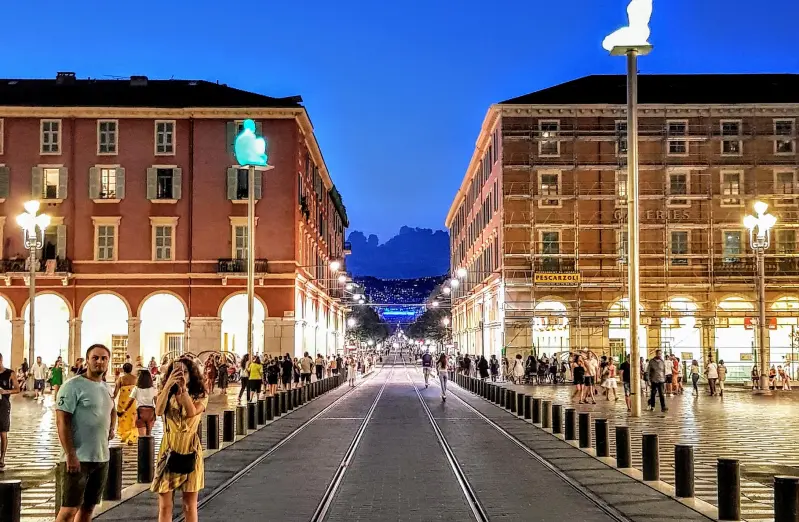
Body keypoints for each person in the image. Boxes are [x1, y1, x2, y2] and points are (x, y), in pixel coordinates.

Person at [54, 344, 115, 522]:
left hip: (101, 457)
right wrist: (70, 455)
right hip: (79, 458)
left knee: (89, 507)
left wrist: (112, 428)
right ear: (87, 360)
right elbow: (62, 421)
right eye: (95, 358)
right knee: (69, 510)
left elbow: (112, 410)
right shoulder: (72, 386)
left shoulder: (106, 387)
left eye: (104, 358)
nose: (99, 362)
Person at [152, 358, 208, 522]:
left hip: (190, 449)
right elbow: (158, 410)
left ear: (192, 375)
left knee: (189, 505)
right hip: (168, 450)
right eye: (176, 372)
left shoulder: (201, 394)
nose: (180, 375)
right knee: (164, 506)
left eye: (184, 372)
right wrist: (169, 385)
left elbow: (191, 412)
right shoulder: (166, 393)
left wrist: (183, 390)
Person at [0, 353, 20, 469]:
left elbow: (17, 389)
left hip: (3, 404)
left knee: (3, 432)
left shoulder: (9, 373)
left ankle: (2, 457)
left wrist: (6, 392)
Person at [113, 363, 138, 445]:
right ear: (131, 369)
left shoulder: (120, 379)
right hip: (133, 402)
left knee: (123, 419)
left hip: (122, 403)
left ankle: (124, 436)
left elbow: (115, 393)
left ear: (123, 369)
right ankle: (131, 437)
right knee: (133, 419)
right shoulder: (136, 379)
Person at [131, 370, 157, 437]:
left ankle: (142, 447)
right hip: (150, 412)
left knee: (142, 436)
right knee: (149, 434)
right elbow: (156, 401)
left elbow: (131, 400)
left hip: (140, 412)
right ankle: (148, 447)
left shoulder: (136, 388)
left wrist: (125, 409)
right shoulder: (153, 389)